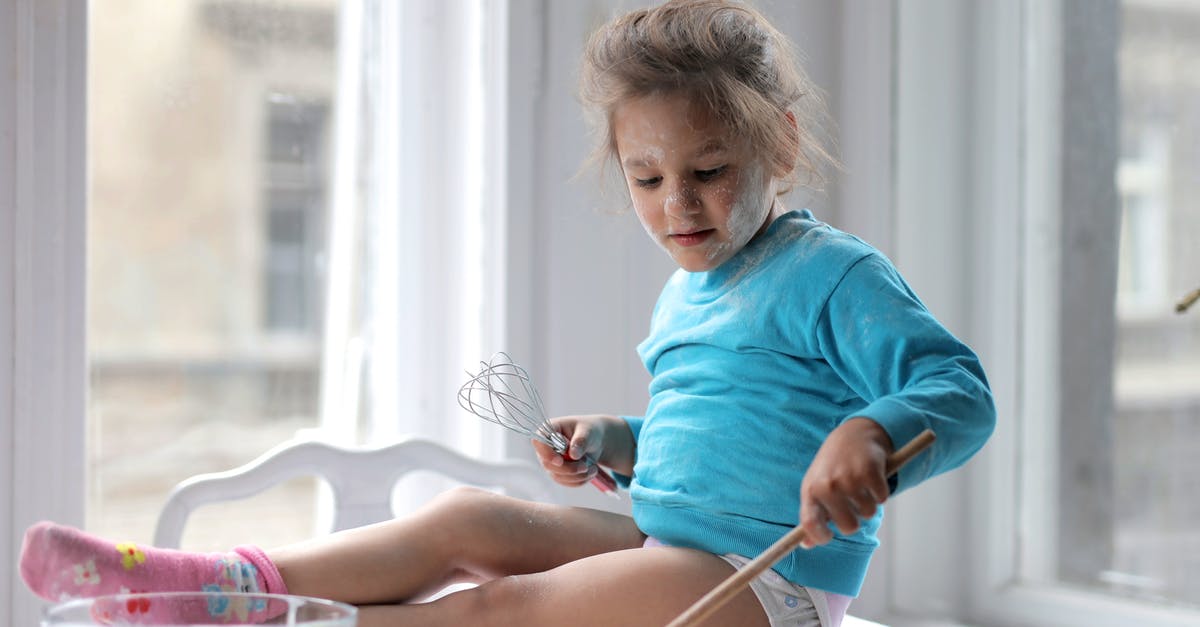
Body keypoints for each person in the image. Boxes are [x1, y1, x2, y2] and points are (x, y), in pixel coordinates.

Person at [19, 1, 995, 625]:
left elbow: (957, 390)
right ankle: (208, 578)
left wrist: (873, 431)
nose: (676, 206)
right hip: (675, 543)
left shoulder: (831, 275)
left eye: (708, 172)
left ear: (780, 146)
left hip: (773, 584)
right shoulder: (690, 290)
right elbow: (728, 444)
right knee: (467, 517)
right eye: (646, 178)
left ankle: (261, 624)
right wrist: (619, 439)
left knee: (506, 609)